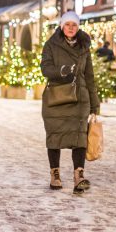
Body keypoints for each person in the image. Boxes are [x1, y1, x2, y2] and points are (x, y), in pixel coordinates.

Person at [40, 10, 99, 194]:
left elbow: (89, 76)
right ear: (61, 26)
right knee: (55, 136)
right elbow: (45, 68)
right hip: (57, 97)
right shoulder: (51, 45)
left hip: (80, 99)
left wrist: (95, 104)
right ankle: (55, 174)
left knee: (79, 137)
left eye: (74, 25)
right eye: (67, 24)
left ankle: (78, 175)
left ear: (78, 26)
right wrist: (62, 71)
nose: (71, 28)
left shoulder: (84, 46)